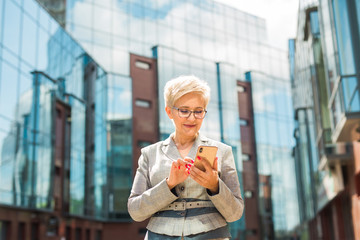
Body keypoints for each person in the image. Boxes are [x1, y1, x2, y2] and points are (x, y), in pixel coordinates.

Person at [127, 75, 244, 239]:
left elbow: (235, 213)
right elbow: (135, 211)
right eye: (184, 111)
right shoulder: (149, 154)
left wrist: (214, 185)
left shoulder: (222, 151)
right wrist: (169, 184)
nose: (192, 118)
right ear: (169, 111)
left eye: (198, 111)